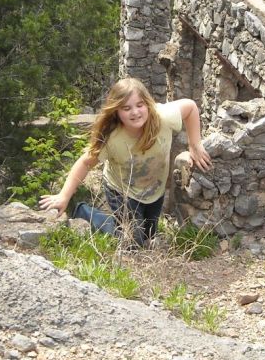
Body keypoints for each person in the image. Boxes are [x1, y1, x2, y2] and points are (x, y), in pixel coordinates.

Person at [38, 77, 212, 247]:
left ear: (148, 104)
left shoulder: (162, 117)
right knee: (132, 241)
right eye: (126, 108)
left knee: (148, 237)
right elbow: (85, 163)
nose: (135, 112)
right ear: (116, 111)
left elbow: (190, 107)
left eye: (140, 105)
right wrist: (64, 196)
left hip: (154, 191)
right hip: (121, 190)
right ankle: (83, 212)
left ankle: (124, 227)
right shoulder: (112, 138)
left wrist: (194, 144)